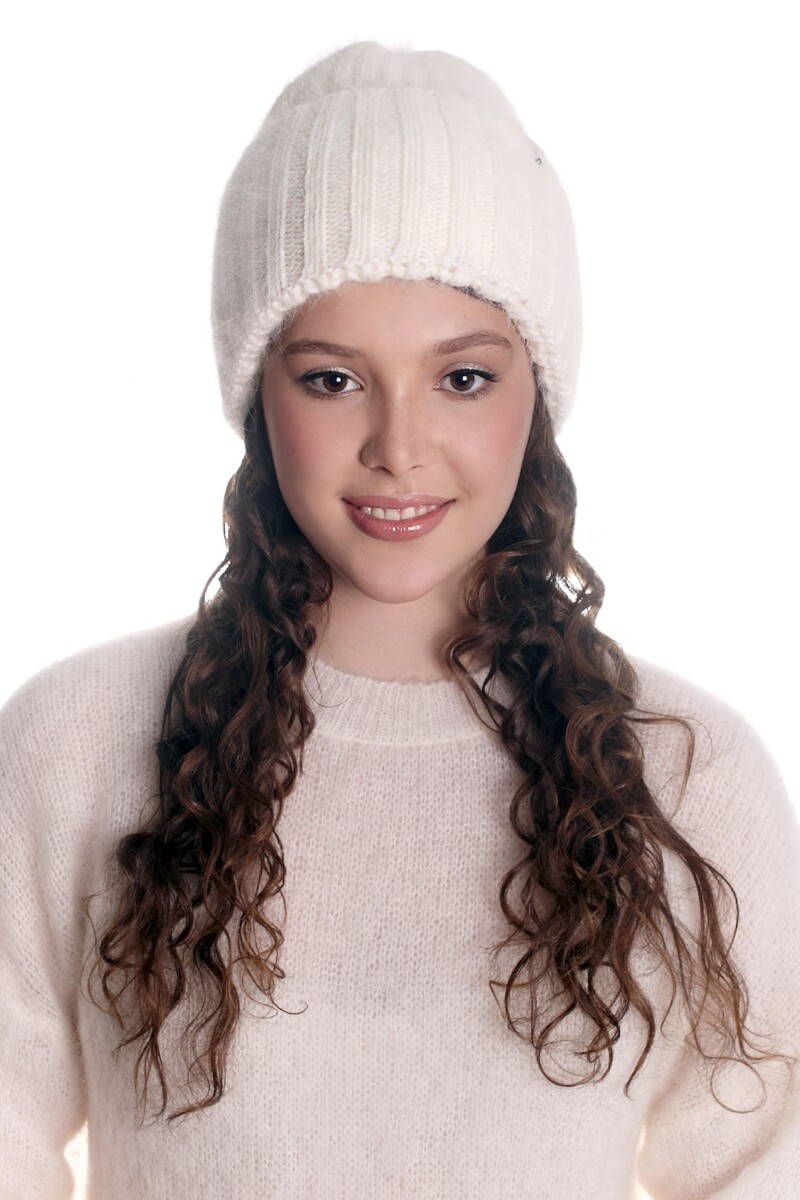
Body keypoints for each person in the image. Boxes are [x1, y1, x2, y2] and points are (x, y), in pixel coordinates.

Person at [1, 38, 798, 1200]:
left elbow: (765, 1161)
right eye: (331, 379)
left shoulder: (684, 772)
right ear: (256, 391)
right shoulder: (76, 739)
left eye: (462, 377)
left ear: (536, 392)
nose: (398, 448)